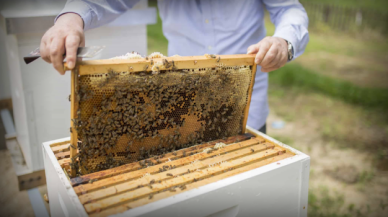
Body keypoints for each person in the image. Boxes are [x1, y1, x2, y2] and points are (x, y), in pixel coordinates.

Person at [40, 0, 309, 134]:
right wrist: (71, 19)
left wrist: (285, 41)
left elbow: (290, 9)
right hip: (181, 103)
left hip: (246, 108)